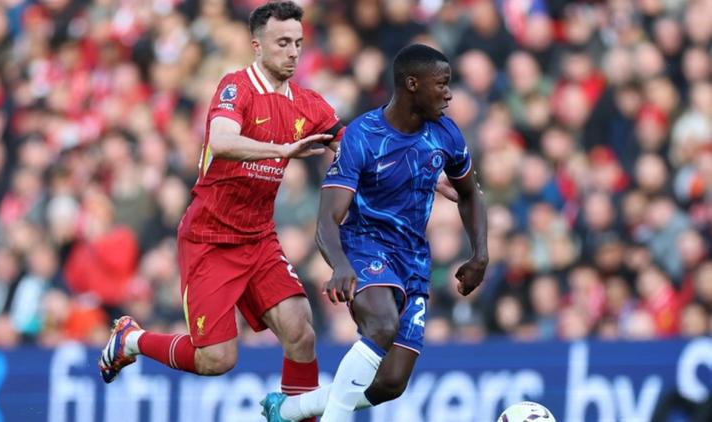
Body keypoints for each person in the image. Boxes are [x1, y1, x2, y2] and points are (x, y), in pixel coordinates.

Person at [98, 2, 343, 416]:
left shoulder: (309, 104)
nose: (293, 52)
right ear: (257, 46)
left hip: (259, 236)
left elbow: (353, 145)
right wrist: (282, 150)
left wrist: (432, 177)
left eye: (298, 43)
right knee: (217, 359)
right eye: (282, 42)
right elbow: (223, 139)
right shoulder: (236, 87)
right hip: (210, 237)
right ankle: (131, 340)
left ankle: (293, 415)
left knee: (301, 330)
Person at [261, 44, 489, 421]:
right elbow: (327, 219)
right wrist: (339, 265)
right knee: (382, 325)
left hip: (413, 259)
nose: (449, 93)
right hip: (365, 247)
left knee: (390, 383)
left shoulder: (446, 134)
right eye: (442, 84)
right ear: (412, 85)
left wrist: (480, 254)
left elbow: (469, 195)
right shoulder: (363, 135)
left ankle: (288, 410)